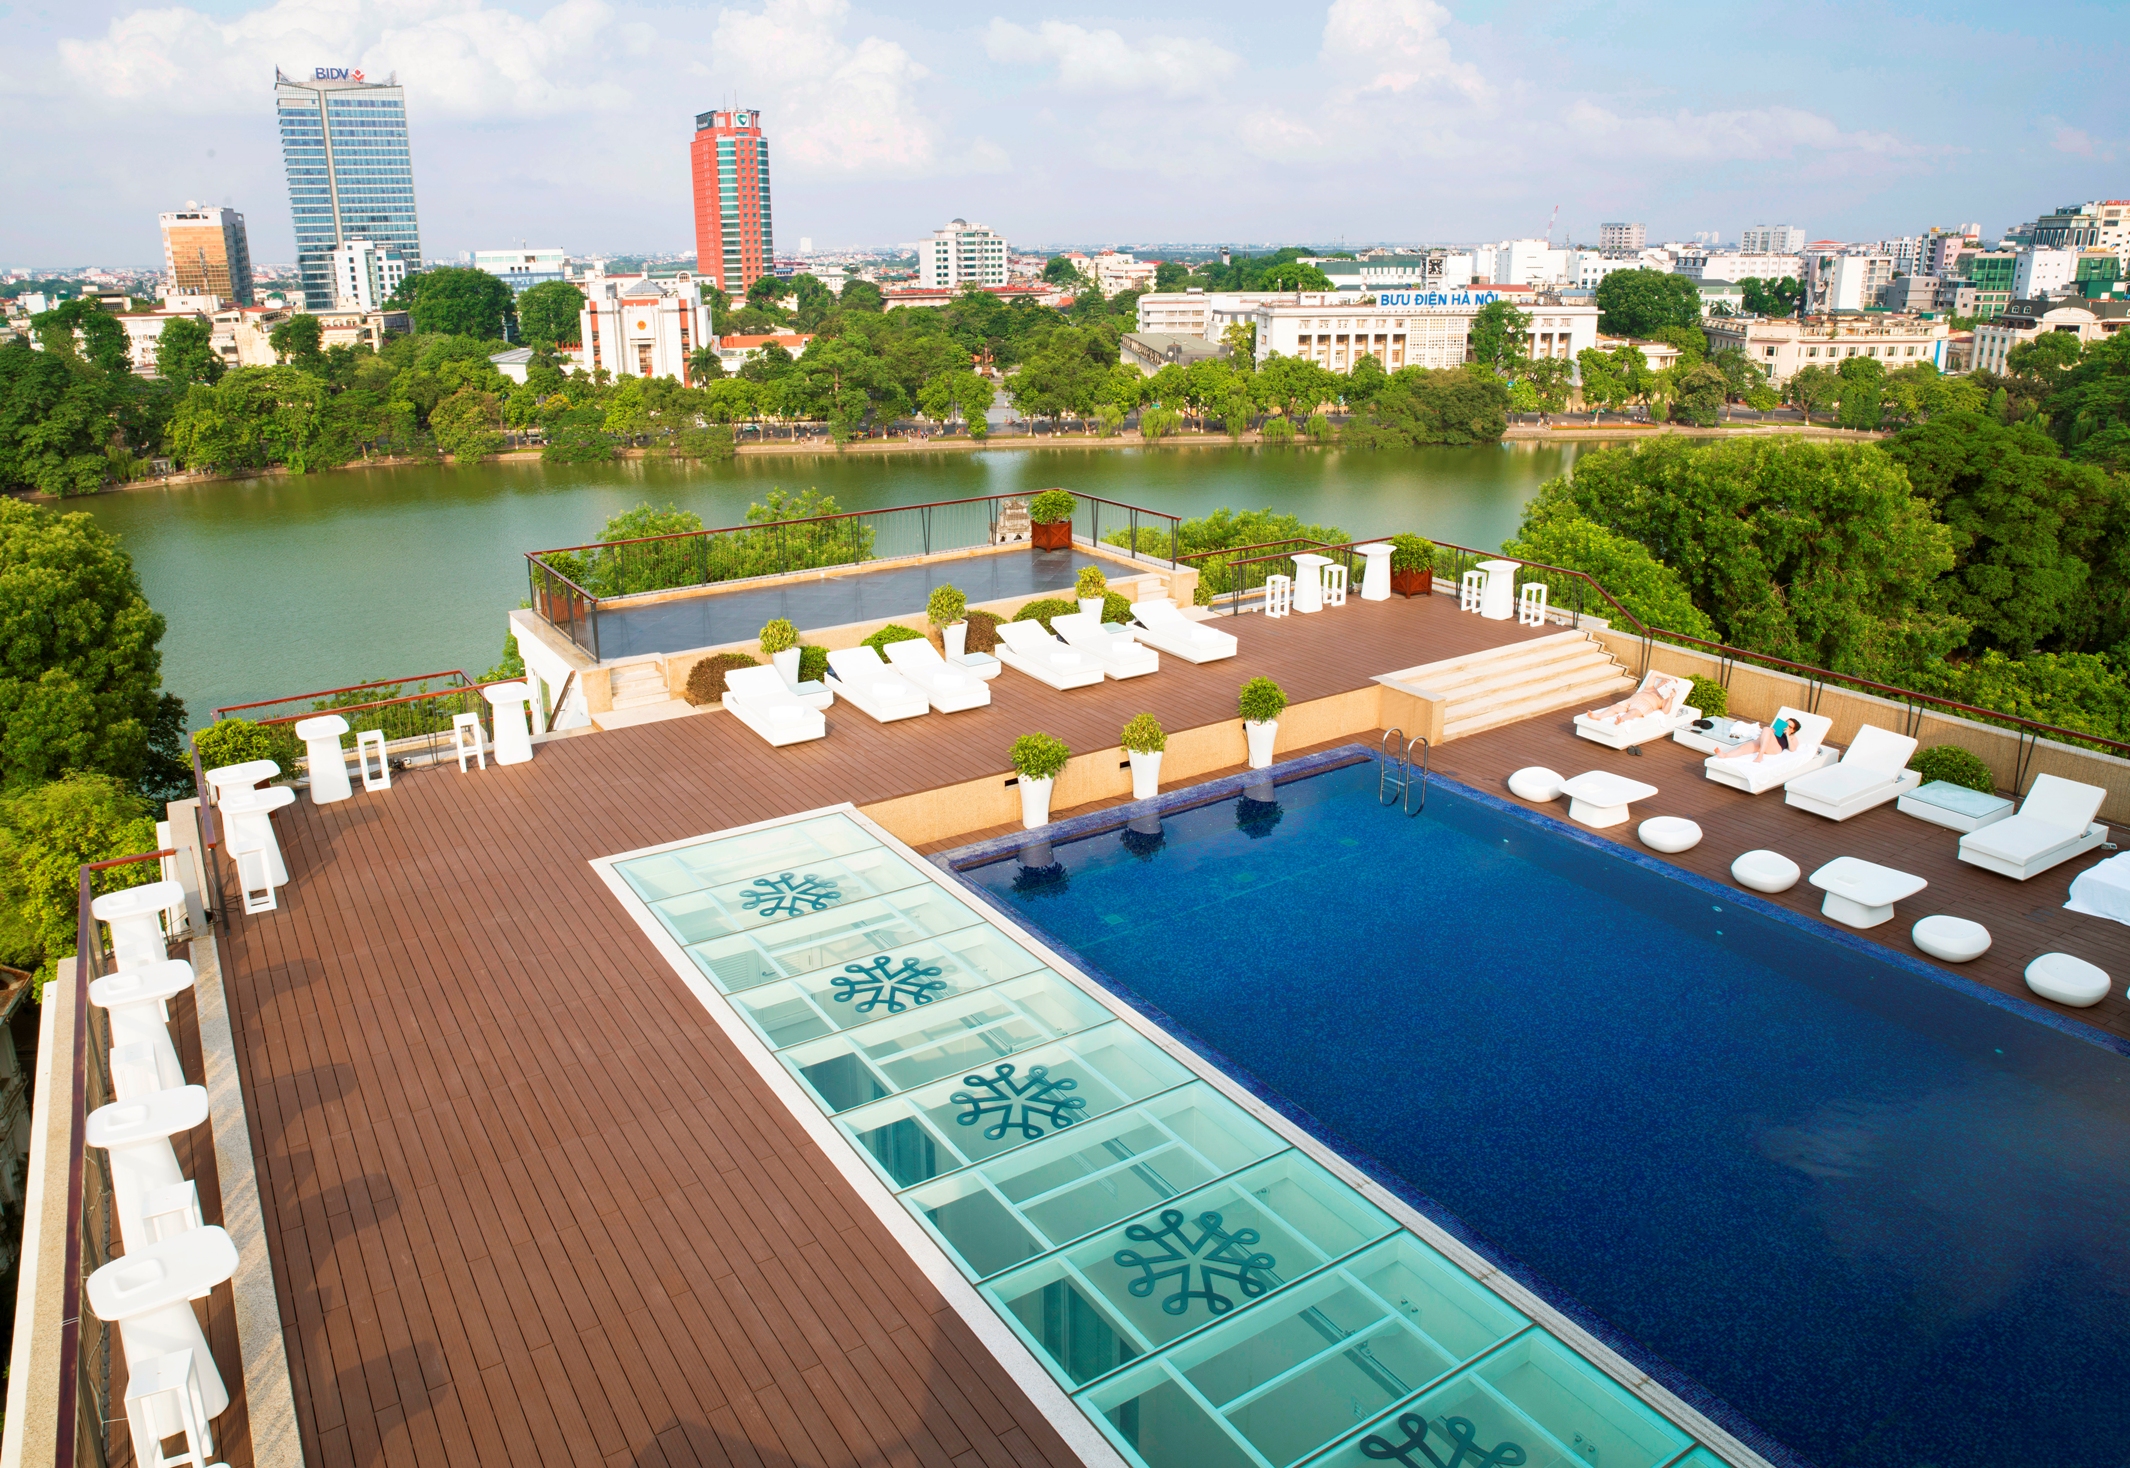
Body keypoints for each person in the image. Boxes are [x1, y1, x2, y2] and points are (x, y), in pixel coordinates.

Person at [1584, 674, 1681, 727]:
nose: (1663, 683)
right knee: (1614, 707)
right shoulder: (1650, 688)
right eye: (1663, 681)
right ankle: (1599, 716)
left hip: (1645, 705)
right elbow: (1654, 674)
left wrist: (1671, 697)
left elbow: (1665, 711)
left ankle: (1622, 719)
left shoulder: (1664, 698)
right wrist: (1668, 677)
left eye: (1666, 684)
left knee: (1633, 712)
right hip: (1632, 699)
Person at [1718, 716, 1799, 762]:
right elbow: (1759, 739)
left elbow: (1792, 749)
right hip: (1764, 744)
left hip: (1775, 748)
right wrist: (1771, 732)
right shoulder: (1774, 730)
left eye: (1790, 727)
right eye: (1786, 724)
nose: (1786, 727)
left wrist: (1787, 735)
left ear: (1793, 730)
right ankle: (1725, 755)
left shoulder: (1792, 737)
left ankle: (1760, 756)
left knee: (1766, 729)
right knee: (1743, 748)